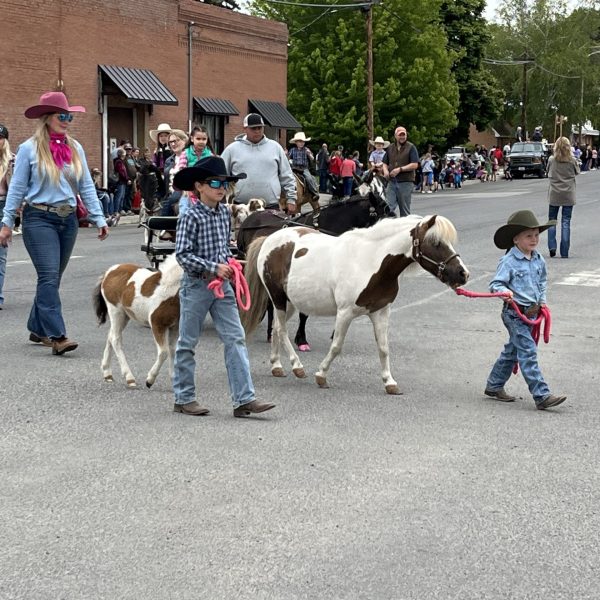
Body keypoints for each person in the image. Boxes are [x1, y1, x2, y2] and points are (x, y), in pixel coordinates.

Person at [0, 91, 108, 354]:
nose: (67, 120)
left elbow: (86, 186)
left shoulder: (75, 147)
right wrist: (6, 222)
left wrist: (98, 217)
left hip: (68, 220)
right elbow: (16, 188)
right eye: (62, 115)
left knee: (53, 278)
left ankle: (37, 327)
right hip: (39, 218)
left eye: (69, 116)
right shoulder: (29, 149)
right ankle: (57, 335)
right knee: (48, 276)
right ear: (47, 117)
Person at [171, 155, 275, 418]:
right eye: (215, 182)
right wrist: (213, 267)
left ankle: (244, 399)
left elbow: (222, 247)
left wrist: (230, 261)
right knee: (187, 342)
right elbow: (183, 255)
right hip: (196, 286)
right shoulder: (190, 215)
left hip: (223, 286)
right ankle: (184, 398)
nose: (220, 188)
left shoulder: (223, 215)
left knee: (235, 338)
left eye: (225, 183)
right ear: (199, 186)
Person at [484, 210, 567, 410]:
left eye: (537, 235)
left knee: (513, 350)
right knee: (528, 352)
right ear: (516, 239)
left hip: (532, 313)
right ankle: (541, 395)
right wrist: (504, 292)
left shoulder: (538, 259)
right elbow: (495, 284)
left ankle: (494, 385)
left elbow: (542, 282)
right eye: (529, 236)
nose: (534, 239)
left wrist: (542, 301)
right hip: (514, 313)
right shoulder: (509, 261)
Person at [221, 113, 296, 213]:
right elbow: (221, 175)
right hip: (241, 207)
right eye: (253, 128)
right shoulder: (232, 149)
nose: (257, 131)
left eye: (259, 128)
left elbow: (286, 175)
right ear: (245, 129)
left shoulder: (275, 147)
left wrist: (291, 199)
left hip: (270, 205)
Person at [547, 136, 579, 258]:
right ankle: (564, 251)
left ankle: (552, 247)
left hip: (554, 193)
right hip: (568, 194)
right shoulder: (572, 160)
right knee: (566, 222)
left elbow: (547, 171)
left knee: (552, 221)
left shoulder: (551, 159)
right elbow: (577, 172)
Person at [382, 126, 419, 216]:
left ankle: (406, 228)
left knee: (404, 210)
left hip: (406, 182)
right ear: (395, 136)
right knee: (387, 207)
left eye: (404, 135)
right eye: (400, 135)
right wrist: (386, 171)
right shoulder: (390, 147)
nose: (402, 137)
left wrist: (400, 169)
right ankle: (388, 228)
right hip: (392, 182)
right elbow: (384, 163)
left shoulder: (411, 147)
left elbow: (415, 164)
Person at [0, 123, 14, 309]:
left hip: (3, 206)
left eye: (1, 138)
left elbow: (19, 188)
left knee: (0, 253)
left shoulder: (12, 161)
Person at [160, 129, 188, 217]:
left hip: (183, 191)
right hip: (169, 192)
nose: (173, 144)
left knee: (171, 201)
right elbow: (166, 181)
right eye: (170, 142)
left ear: (184, 140)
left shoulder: (189, 156)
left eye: (176, 141)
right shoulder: (169, 160)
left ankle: (163, 225)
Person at [288, 131, 319, 201]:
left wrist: (309, 154)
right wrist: (287, 156)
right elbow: (288, 158)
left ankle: (314, 193)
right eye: (300, 141)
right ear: (296, 142)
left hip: (304, 168)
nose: (302, 143)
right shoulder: (292, 150)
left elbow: (312, 158)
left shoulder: (306, 149)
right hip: (294, 168)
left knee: (309, 178)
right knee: (286, 177)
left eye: (303, 142)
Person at [150, 123, 173, 198]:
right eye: (161, 136)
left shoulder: (172, 149)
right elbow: (155, 162)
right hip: (159, 174)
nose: (163, 138)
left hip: (170, 173)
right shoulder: (157, 150)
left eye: (165, 136)